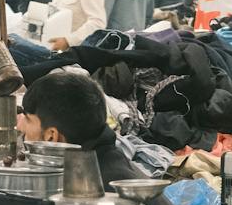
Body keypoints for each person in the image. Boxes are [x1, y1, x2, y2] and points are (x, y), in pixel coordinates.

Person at [17, 72, 148, 183]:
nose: (20, 126)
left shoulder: (90, 191)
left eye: (28, 119)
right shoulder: (107, 160)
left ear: (51, 136)